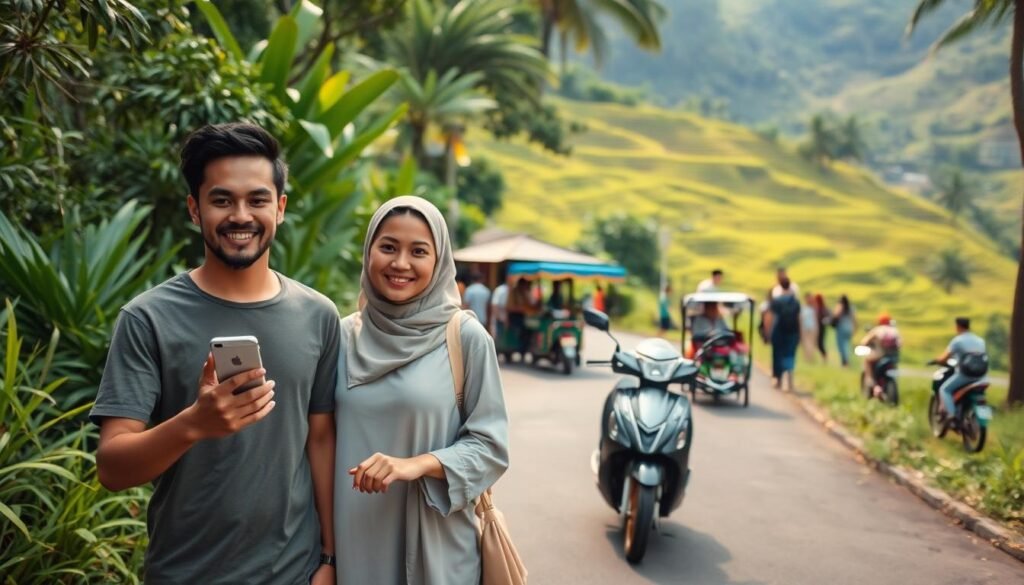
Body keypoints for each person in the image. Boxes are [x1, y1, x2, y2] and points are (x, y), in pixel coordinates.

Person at [91, 123, 340, 585]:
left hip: (295, 572)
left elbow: (320, 441)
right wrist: (193, 424)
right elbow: (112, 467)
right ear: (194, 208)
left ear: (280, 208)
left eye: (258, 200)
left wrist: (329, 558)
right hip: (185, 573)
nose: (240, 215)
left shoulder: (318, 316)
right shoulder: (148, 319)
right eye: (221, 200)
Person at [335, 196, 509, 584]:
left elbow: (491, 446)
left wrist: (416, 464)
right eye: (388, 247)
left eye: (418, 251)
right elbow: (316, 439)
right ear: (369, 253)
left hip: (436, 547)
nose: (400, 263)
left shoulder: (464, 337)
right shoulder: (342, 338)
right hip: (353, 544)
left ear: (440, 260)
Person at [933, 317, 989, 420]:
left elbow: (944, 358)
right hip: (981, 376)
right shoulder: (980, 341)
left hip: (965, 375)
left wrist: (937, 360)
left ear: (958, 326)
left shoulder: (958, 341)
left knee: (944, 389)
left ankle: (951, 415)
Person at [769, 278, 801, 390]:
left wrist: (768, 332)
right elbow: (799, 319)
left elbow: (771, 317)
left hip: (778, 331)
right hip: (792, 332)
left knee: (778, 355)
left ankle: (778, 379)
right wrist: (799, 333)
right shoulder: (795, 302)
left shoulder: (776, 301)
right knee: (790, 354)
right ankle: (790, 379)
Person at [860, 313, 901, 394]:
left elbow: (864, 341)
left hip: (881, 355)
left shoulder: (878, 329)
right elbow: (900, 344)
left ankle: (872, 383)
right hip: (894, 357)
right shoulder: (895, 330)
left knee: (867, 361)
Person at [832, 294, 857, 367]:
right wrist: (855, 328)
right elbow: (854, 319)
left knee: (841, 346)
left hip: (841, 328)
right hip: (849, 328)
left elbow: (836, 316)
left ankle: (845, 361)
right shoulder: (851, 308)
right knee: (847, 345)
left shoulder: (840, 306)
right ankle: (847, 360)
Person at [800, 292, 819, 362]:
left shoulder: (807, 308)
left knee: (807, 343)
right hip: (810, 327)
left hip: (808, 327)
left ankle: (809, 357)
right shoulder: (812, 308)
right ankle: (809, 357)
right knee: (809, 343)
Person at [814, 293, 829, 361]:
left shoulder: (822, 308)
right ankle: (823, 357)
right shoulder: (820, 308)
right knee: (819, 343)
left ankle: (824, 357)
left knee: (820, 343)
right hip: (819, 327)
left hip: (821, 327)